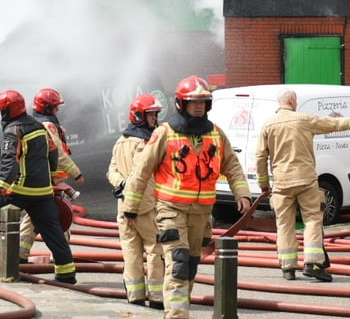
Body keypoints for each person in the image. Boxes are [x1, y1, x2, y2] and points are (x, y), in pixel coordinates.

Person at [123, 76, 252, 319]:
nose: (199, 106)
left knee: (191, 266)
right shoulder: (165, 133)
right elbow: (141, 171)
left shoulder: (216, 134)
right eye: (193, 102)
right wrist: (130, 207)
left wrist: (242, 193)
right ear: (181, 103)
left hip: (202, 215)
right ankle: (176, 316)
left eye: (203, 101)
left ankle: (178, 310)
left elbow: (232, 166)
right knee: (179, 264)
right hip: (171, 210)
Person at [0, 89, 78, 285]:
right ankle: (67, 272)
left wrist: (1, 188)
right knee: (52, 229)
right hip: (43, 191)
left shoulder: (13, 130)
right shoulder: (40, 127)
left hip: (20, 189)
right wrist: (48, 178)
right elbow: (53, 154)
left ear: (6, 112)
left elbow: (10, 162)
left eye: (1, 110)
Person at [255, 88, 350, 282]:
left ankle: (288, 267)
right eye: (295, 100)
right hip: (305, 180)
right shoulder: (303, 120)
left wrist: (263, 183)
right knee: (313, 220)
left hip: (281, 183)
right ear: (291, 100)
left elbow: (261, 156)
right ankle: (313, 264)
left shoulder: (267, 125)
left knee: (284, 224)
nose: (296, 103)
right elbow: (329, 123)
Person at [107, 93, 165, 309]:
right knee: (155, 249)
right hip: (146, 206)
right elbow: (141, 174)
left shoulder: (121, 141)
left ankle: (135, 295)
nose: (155, 118)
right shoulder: (146, 143)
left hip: (123, 206)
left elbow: (111, 170)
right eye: (151, 114)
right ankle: (157, 298)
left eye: (155, 114)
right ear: (140, 115)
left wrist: (120, 184)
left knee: (130, 250)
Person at [18, 88, 84, 263]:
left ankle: (20, 254)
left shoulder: (40, 124)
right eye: (55, 107)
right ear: (47, 108)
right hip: (53, 180)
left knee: (37, 217)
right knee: (60, 216)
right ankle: (61, 257)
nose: (58, 111)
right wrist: (76, 173)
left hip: (45, 180)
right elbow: (60, 155)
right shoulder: (48, 126)